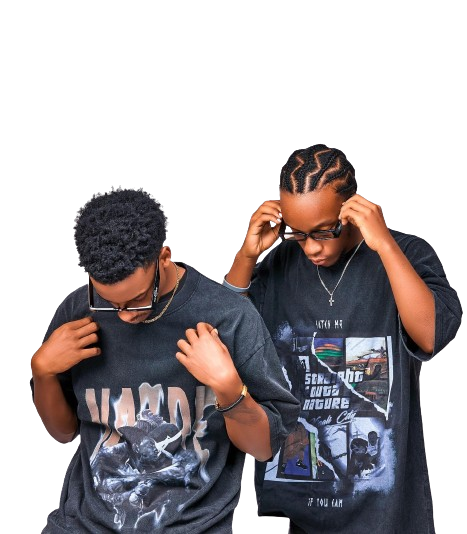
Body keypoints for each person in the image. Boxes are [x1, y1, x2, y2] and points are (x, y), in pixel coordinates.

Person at [30, 187, 300, 533]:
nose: (124, 316)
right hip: (81, 525)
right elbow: (64, 432)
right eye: (108, 301)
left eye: (138, 299)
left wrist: (229, 389)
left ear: (164, 257)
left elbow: (263, 449)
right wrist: (42, 372)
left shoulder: (229, 317)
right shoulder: (78, 310)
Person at [222, 145, 462, 533]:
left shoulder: (407, 253)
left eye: (324, 231)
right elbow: (224, 340)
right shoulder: (278, 265)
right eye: (297, 234)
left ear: (352, 208)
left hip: (386, 513)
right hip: (304, 506)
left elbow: (431, 335)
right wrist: (246, 257)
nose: (312, 248)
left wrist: (383, 243)